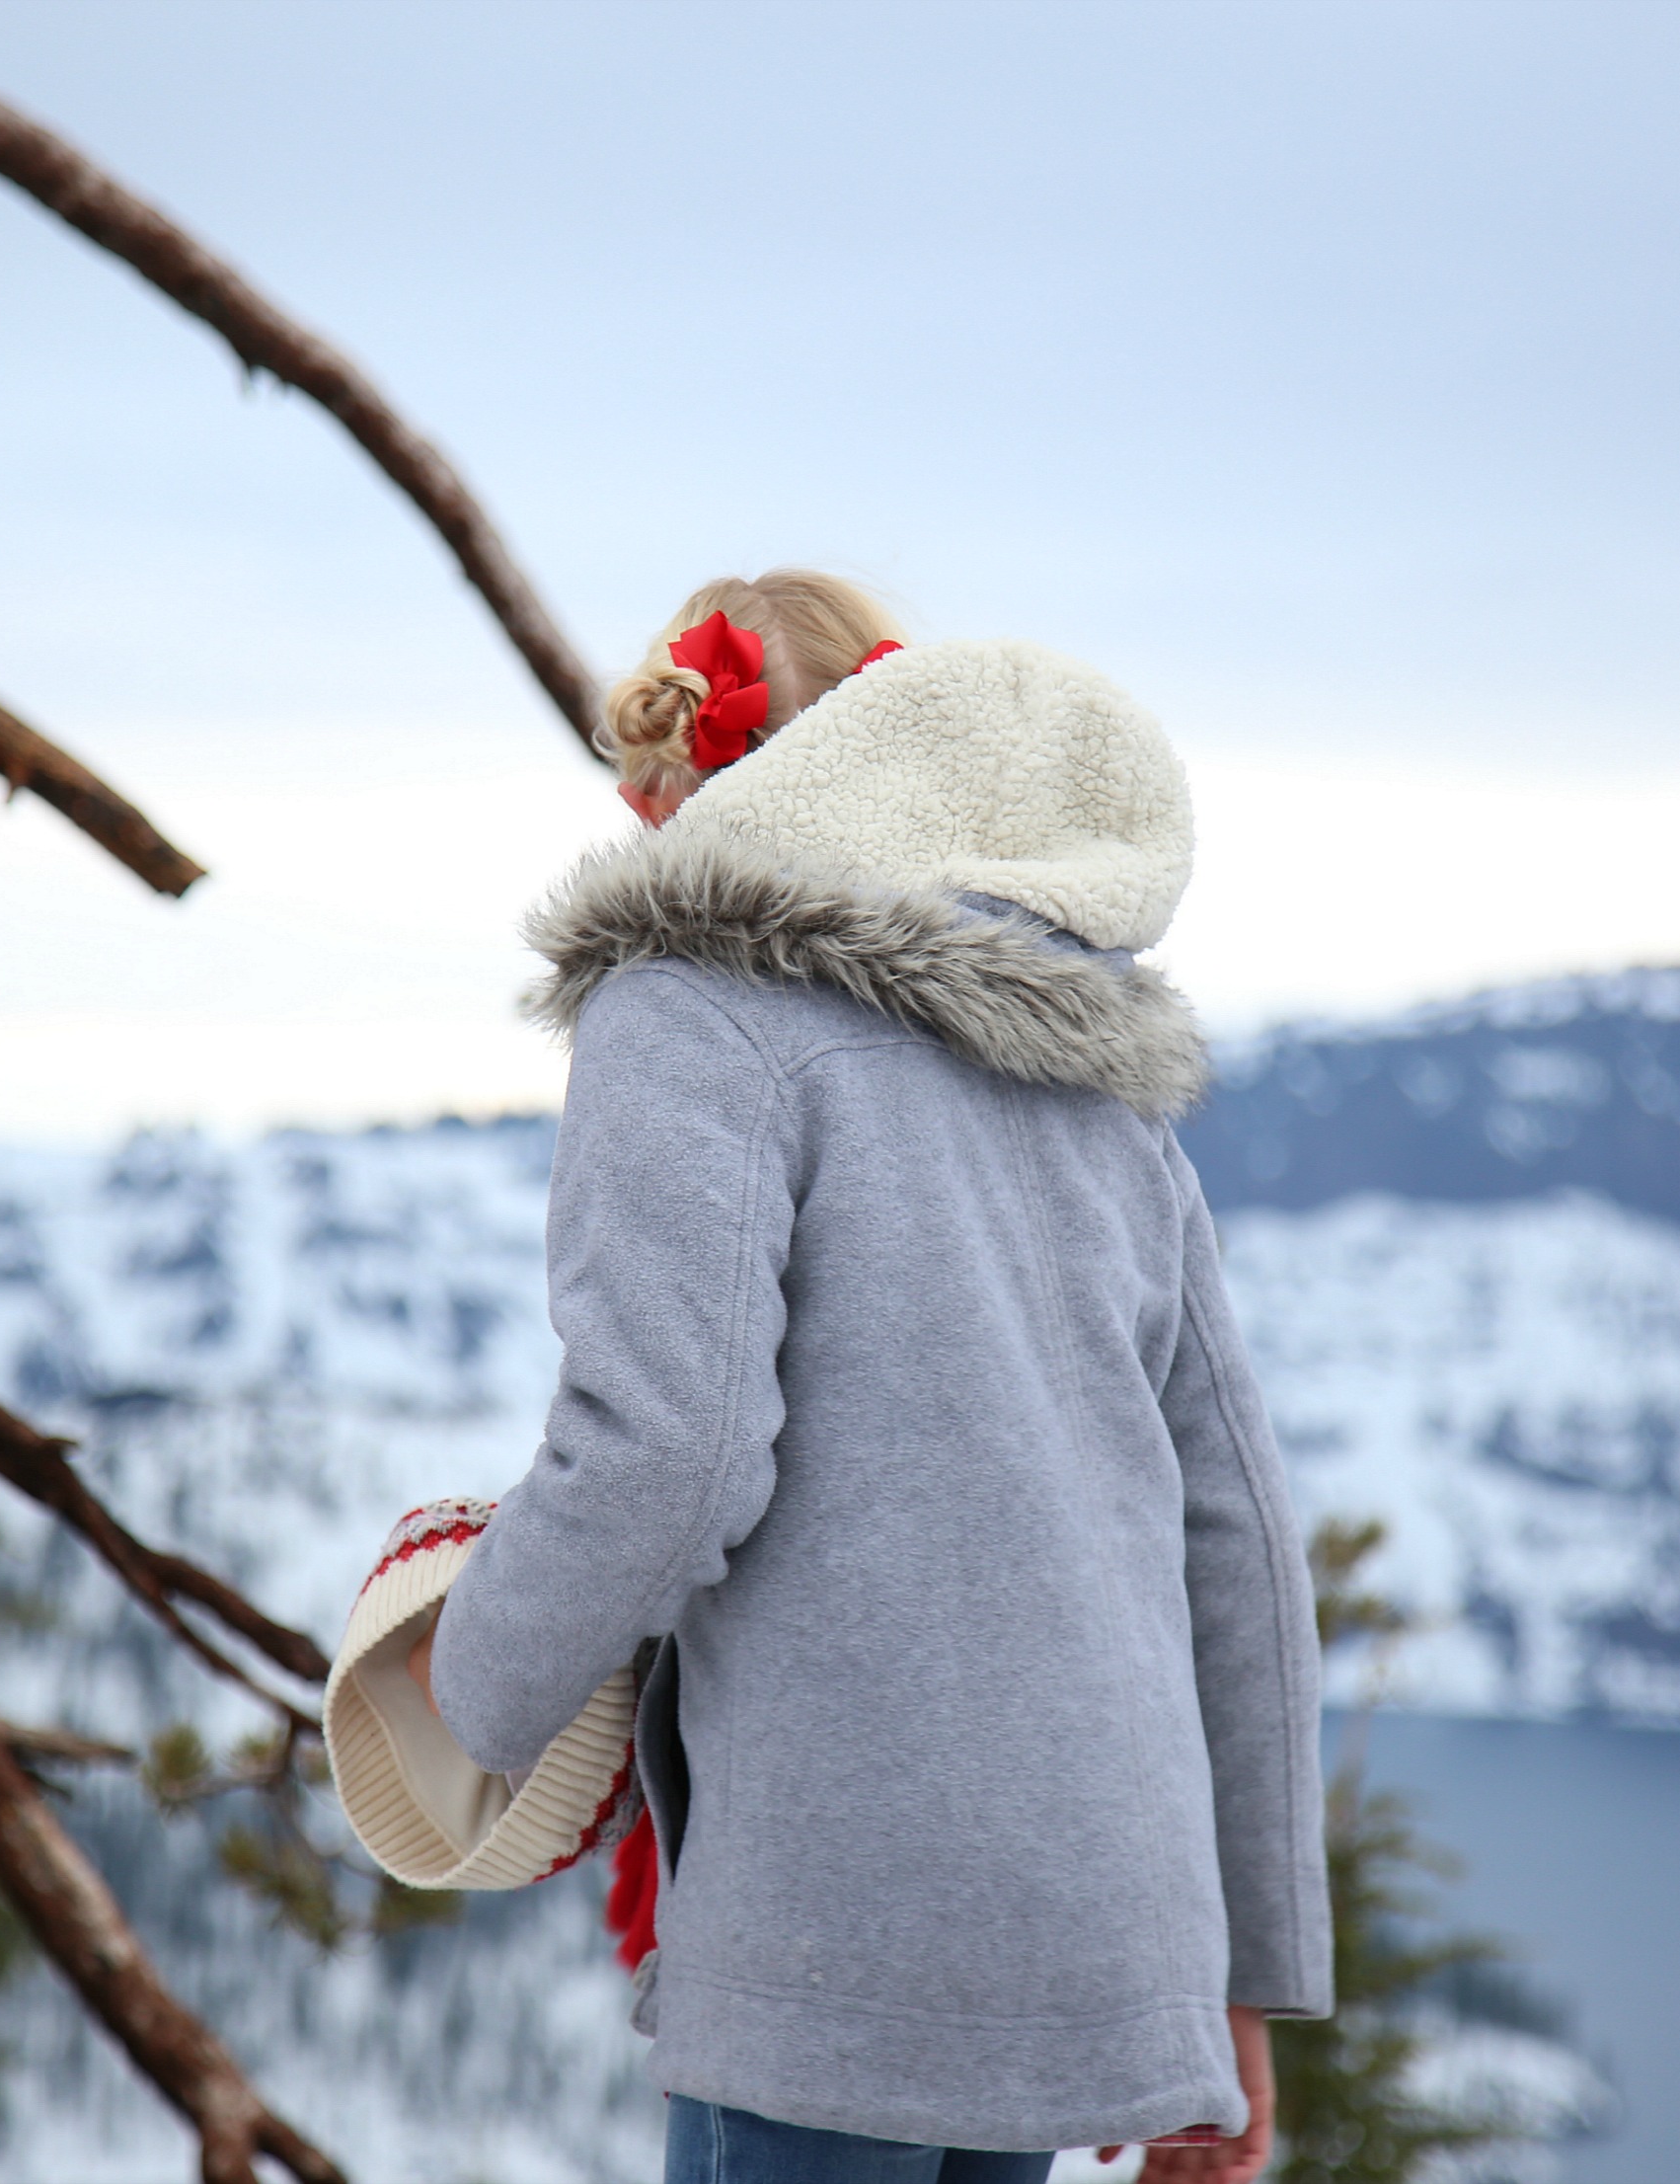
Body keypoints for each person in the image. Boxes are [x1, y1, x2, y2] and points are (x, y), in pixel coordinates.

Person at [412, 571, 1333, 2184]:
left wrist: (465, 1697)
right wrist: (1240, 1982)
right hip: (1087, 1922)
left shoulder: (689, 1010)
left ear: (673, 785)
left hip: (841, 1922)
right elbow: (1233, 1539)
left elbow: (669, 1456)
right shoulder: (1091, 1066)